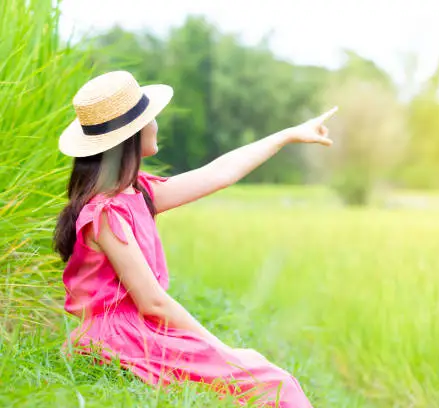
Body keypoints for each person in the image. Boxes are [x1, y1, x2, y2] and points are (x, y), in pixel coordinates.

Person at [53, 71, 337, 407]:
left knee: (264, 373)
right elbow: (153, 302)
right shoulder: (106, 214)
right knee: (275, 384)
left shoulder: (137, 192)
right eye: (150, 119)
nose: (156, 125)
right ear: (131, 136)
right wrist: (223, 350)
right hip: (122, 338)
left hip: (138, 329)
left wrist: (288, 135)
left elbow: (219, 173)